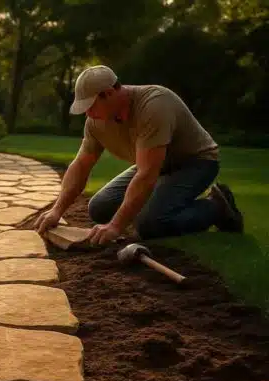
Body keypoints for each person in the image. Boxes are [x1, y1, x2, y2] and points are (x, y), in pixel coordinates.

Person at [34, 64, 243, 245]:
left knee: (150, 225)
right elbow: (81, 164)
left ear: (108, 93)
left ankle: (216, 207)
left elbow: (147, 174)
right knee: (98, 209)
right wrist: (56, 211)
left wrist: (116, 226)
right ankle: (160, 203)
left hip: (195, 163)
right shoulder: (95, 123)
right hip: (154, 164)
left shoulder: (154, 105)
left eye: (90, 106)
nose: (88, 114)